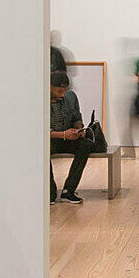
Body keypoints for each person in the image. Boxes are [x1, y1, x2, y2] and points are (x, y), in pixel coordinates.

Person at [50, 70, 88, 205]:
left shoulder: (70, 97)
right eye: (59, 91)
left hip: (67, 139)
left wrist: (79, 128)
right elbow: (39, 132)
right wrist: (64, 134)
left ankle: (68, 190)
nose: (63, 94)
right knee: (40, 148)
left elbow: (77, 117)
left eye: (65, 91)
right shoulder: (39, 101)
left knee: (86, 144)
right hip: (50, 141)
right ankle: (49, 192)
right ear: (49, 87)